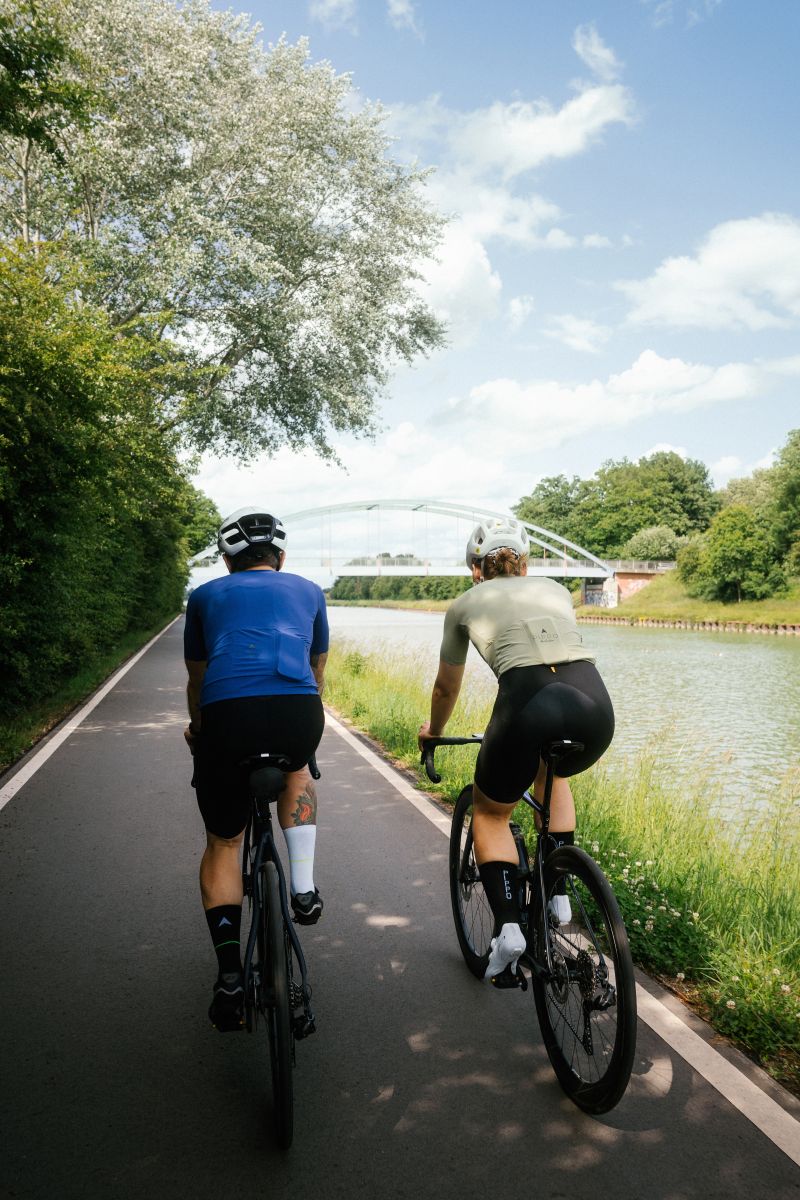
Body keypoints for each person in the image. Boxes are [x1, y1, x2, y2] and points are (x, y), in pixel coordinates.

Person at [418, 517, 614, 987]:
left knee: (490, 812)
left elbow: (447, 688)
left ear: (474, 569)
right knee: (554, 774)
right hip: (595, 704)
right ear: (525, 565)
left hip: (526, 703)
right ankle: (559, 891)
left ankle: (508, 928)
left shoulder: (464, 604)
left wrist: (433, 732)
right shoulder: (555, 590)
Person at [184, 507, 329, 1030]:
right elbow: (316, 669)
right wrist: (301, 727)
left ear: (227, 561)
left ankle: (229, 977)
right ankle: (304, 889)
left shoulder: (202, 597)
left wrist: (198, 730)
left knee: (224, 842)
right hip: (296, 712)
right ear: (281, 556)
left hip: (227, 717)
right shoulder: (310, 590)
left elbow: (198, 681)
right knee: (298, 771)